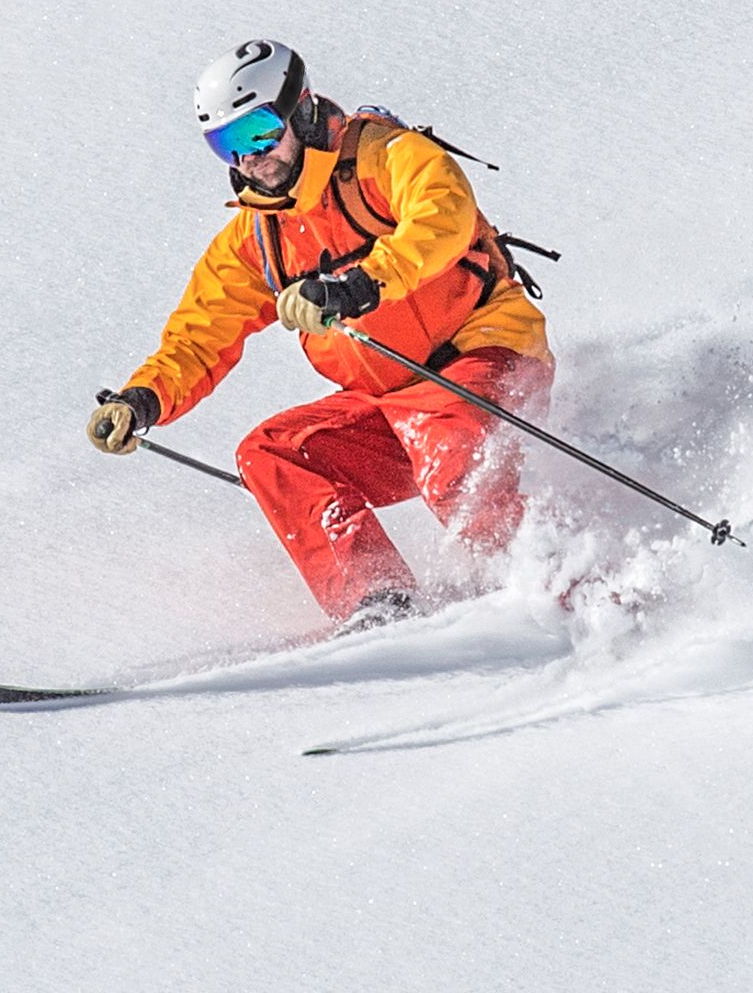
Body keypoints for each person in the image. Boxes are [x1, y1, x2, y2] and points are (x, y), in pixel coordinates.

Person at [91, 39, 552, 627]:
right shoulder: (257, 238)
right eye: (226, 145)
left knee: (450, 451)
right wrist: (144, 398)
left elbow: (444, 212)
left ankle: (558, 583)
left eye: (257, 132)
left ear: (299, 109)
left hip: (478, 354)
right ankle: (380, 605)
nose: (249, 159)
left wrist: (362, 283)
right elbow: (200, 334)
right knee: (274, 453)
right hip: (387, 401)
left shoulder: (383, 157)